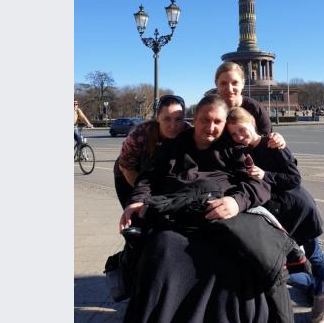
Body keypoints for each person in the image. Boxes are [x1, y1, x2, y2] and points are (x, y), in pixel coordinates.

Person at [119, 95, 294, 323]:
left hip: (224, 217)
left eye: (217, 122)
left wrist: (236, 202)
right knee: (161, 254)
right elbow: (148, 178)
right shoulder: (173, 146)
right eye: (204, 120)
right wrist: (138, 200)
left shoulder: (234, 148)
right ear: (195, 117)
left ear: (224, 123)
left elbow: (259, 184)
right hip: (177, 216)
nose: (210, 128)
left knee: (245, 261)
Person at [226, 107, 324, 323]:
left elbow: (294, 178)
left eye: (242, 130)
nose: (239, 137)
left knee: (314, 254)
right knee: (293, 257)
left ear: (252, 124)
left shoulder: (272, 143)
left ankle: (323, 295)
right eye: (234, 134)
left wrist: (265, 175)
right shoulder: (243, 150)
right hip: (280, 215)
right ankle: (318, 290)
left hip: (298, 209)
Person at [113, 94, 190, 208]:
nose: (173, 126)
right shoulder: (139, 134)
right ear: (158, 118)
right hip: (129, 174)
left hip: (160, 174)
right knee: (137, 216)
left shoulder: (188, 132)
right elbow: (127, 169)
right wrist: (146, 195)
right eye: (167, 119)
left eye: (178, 119)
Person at [214, 62, 285, 148]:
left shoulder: (255, 109)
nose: (229, 89)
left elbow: (267, 143)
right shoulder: (212, 111)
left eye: (235, 82)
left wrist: (276, 139)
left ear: (243, 83)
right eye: (223, 83)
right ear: (216, 84)